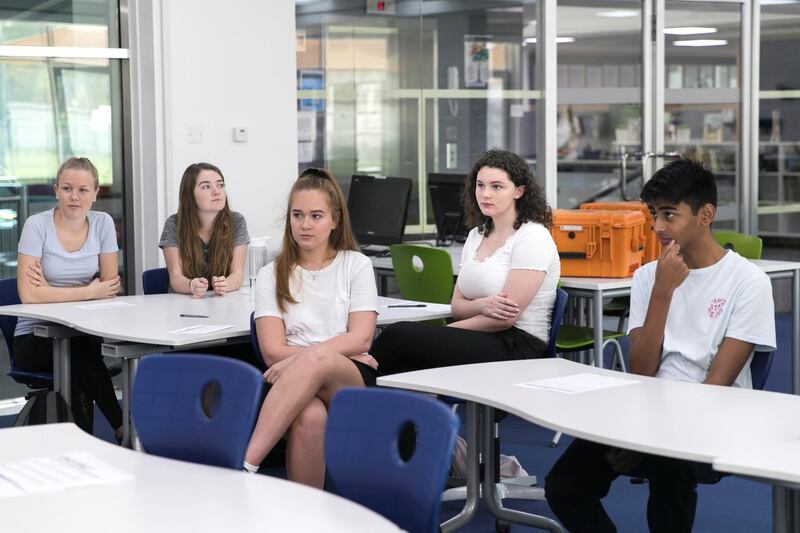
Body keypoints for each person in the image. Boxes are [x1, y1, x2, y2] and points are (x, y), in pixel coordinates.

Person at [544, 159, 776, 533]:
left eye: (669, 215)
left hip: (709, 418)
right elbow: (640, 371)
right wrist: (662, 292)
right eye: (653, 214)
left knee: (670, 464)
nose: (657, 227)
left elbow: (715, 391)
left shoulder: (748, 283)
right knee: (563, 485)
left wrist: (647, 441)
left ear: (706, 214)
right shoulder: (648, 276)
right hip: (646, 409)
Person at [243, 168, 378, 487]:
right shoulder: (271, 274)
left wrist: (302, 359)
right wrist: (308, 359)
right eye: (298, 215)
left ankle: (245, 465)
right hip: (296, 376)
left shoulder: (356, 265)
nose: (305, 224)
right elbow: (272, 351)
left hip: (350, 376)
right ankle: (307, 516)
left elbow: (362, 337)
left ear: (334, 220)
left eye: (316, 216)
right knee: (309, 416)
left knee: (318, 360)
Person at [370, 149, 560, 375]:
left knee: (398, 337)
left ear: (519, 191)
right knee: (398, 356)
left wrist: (448, 331)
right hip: (482, 335)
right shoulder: (477, 235)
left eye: (496, 186)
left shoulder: (532, 237)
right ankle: (365, 399)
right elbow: (457, 306)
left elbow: (505, 320)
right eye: (480, 185)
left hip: (518, 344)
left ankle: (352, 400)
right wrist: (480, 305)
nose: (485, 194)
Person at [15, 157, 123, 440]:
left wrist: (49, 290)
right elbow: (28, 295)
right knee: (78, 353)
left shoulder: (102, 224)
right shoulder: (36, 225)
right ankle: (122, 427)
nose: (74, 197)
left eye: (83, 190)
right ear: (55, 190)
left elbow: (109, 289)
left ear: (96, 193)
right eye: (67, 188)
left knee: (80, 353)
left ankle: (84, 443)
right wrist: (88, 291)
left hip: (83, 330)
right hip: (34, 337)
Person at [159, 162, 249, 297]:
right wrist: (191, 285)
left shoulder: (237, 221)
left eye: (220, 185)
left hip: (222, 302)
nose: (217, 191)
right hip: (184, 303)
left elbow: (238, 275)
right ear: (190, 194)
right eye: (206, 186)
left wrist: (225, 285)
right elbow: (176, 278)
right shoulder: (174, 224)